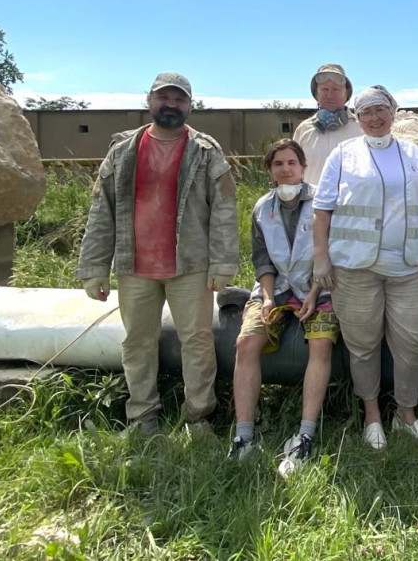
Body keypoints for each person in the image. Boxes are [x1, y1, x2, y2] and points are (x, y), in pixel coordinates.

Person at [78, 72, 239, 434]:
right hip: (134, 265)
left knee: (197, 341)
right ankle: (142, 417)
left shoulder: (205, 150)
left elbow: (224, 208)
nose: (171, 105)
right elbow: (101, 211)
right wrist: (94, 267)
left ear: (189, 105)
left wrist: (223, 263)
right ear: (149, 101)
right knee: (137, 342)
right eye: (164, 98)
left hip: (190, 265)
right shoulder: (122, 151)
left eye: (179, 99)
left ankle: (198, 418)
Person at [312, 85, 418, 450]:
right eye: (366, 111)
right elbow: (322, 210)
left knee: (414, 343)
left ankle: (406, 415)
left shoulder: (412, 153)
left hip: (405, 266)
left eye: (380, 109)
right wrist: (321, 257)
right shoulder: (343, 154)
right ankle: (372, 416)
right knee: (363, 345)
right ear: (357, 117)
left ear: (393, 112)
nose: (374, 117)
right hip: (354, 267)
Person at [229, 139, 338, 477]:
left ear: (303, 167)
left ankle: (305, 434)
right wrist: (266, 297)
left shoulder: (324, 201)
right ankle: (244, 435)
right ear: (270, 171)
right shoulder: (262, 208)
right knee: (245, 343)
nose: (286, 169)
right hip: (274, 291)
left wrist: (314, 292)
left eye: (292, 162)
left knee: (321, 344)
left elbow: (331, 252)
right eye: (278, 164)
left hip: (319, 289)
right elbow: (262, 259)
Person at [293, 63, 362, 186]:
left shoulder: (361, 128)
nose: (329, 95)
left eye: (336, 89)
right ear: (316, 93)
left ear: (347, 93)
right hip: (312, 198)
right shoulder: (303, 130)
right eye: (324, 89)